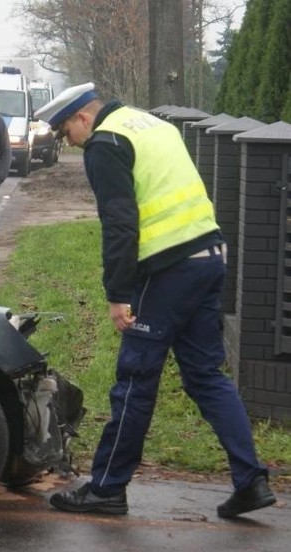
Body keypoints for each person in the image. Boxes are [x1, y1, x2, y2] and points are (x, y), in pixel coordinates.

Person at [36, 83, 276, 518]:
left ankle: (107, 488)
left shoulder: (106, 143)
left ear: (83, 118)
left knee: (135, 379)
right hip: (210, 256)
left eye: (65, 131)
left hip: (169, 270)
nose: (67, 142)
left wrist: (118, 295)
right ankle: (251, 480)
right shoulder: (152, 124)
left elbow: (120, 224)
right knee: (205, 375)